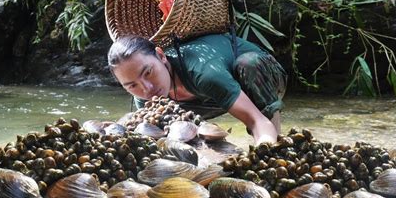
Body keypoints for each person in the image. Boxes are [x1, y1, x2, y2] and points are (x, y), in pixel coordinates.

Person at [107, 33, 287, 144]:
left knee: (249, 64)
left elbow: (257, 122)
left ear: (161, 56)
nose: (147, 88)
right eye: (131, 85)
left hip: (257, 77)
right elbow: (158, 139)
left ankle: (278, 145)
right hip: (207, 98)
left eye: (148, 73)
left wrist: (264, 153)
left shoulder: (204, 72)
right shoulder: (145, 97)